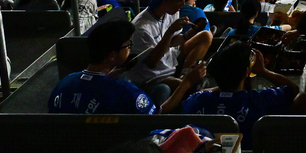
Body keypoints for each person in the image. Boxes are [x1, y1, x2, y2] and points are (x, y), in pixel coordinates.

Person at [49, 20, 203, 115]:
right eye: (128, 46)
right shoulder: (124, 91)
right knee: (163, 90)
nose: (130, 50)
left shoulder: (64, 83)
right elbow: (158, 115)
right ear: (111, 55)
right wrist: (186, 83)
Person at [182, 43, 305, 147]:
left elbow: (188, 102)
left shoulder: (198, 100)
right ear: (246, 72)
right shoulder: (258, 100)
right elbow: (292, 89)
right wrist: (263, 71)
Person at [127, 0, 213, 104]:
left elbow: (172, 41)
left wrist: (187, 35)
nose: (183, 3)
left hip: (170, 61)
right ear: (166, 0)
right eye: (180, 0)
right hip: (153, 77)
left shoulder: (172, 12)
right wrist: (170, 31)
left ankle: (184, 75)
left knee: (206, 35)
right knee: (187, 86)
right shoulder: (141, 27)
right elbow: (152, 63)